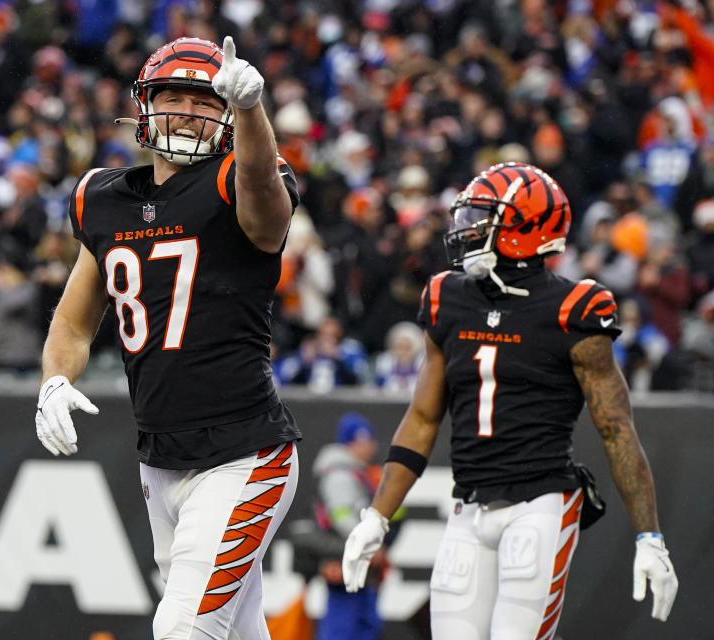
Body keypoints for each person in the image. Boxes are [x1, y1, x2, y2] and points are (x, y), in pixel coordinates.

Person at [342, 162, 679, 638]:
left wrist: (651, 536)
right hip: (469, 503)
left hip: (541, 502)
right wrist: (376, 516)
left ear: (525, 227)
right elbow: (422, 416)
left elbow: (615, 428)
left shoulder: (574, 308)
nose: (465, 230)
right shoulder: (445, 296)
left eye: (481, 218)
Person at [36, 36, 301, 640]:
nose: (188, 110)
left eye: (205, 101)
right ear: (143, 106)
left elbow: (266, 199)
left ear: (226, 114)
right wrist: (55, 379)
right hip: (161, 458)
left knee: (183, 630)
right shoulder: (104, 199)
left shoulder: (241, 177)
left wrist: (253, 111)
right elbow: (75, 320)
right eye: (173, 96)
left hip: (243, 453)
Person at [312, 412, 389, 640]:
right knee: (343, 622)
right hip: (344, 555)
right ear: (351, 442)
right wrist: (368, 543)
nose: (370, 446)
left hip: (355, 556)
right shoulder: (340, 474)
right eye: (364, 440)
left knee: (364, 620)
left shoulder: (356, 472)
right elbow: (341, 517)